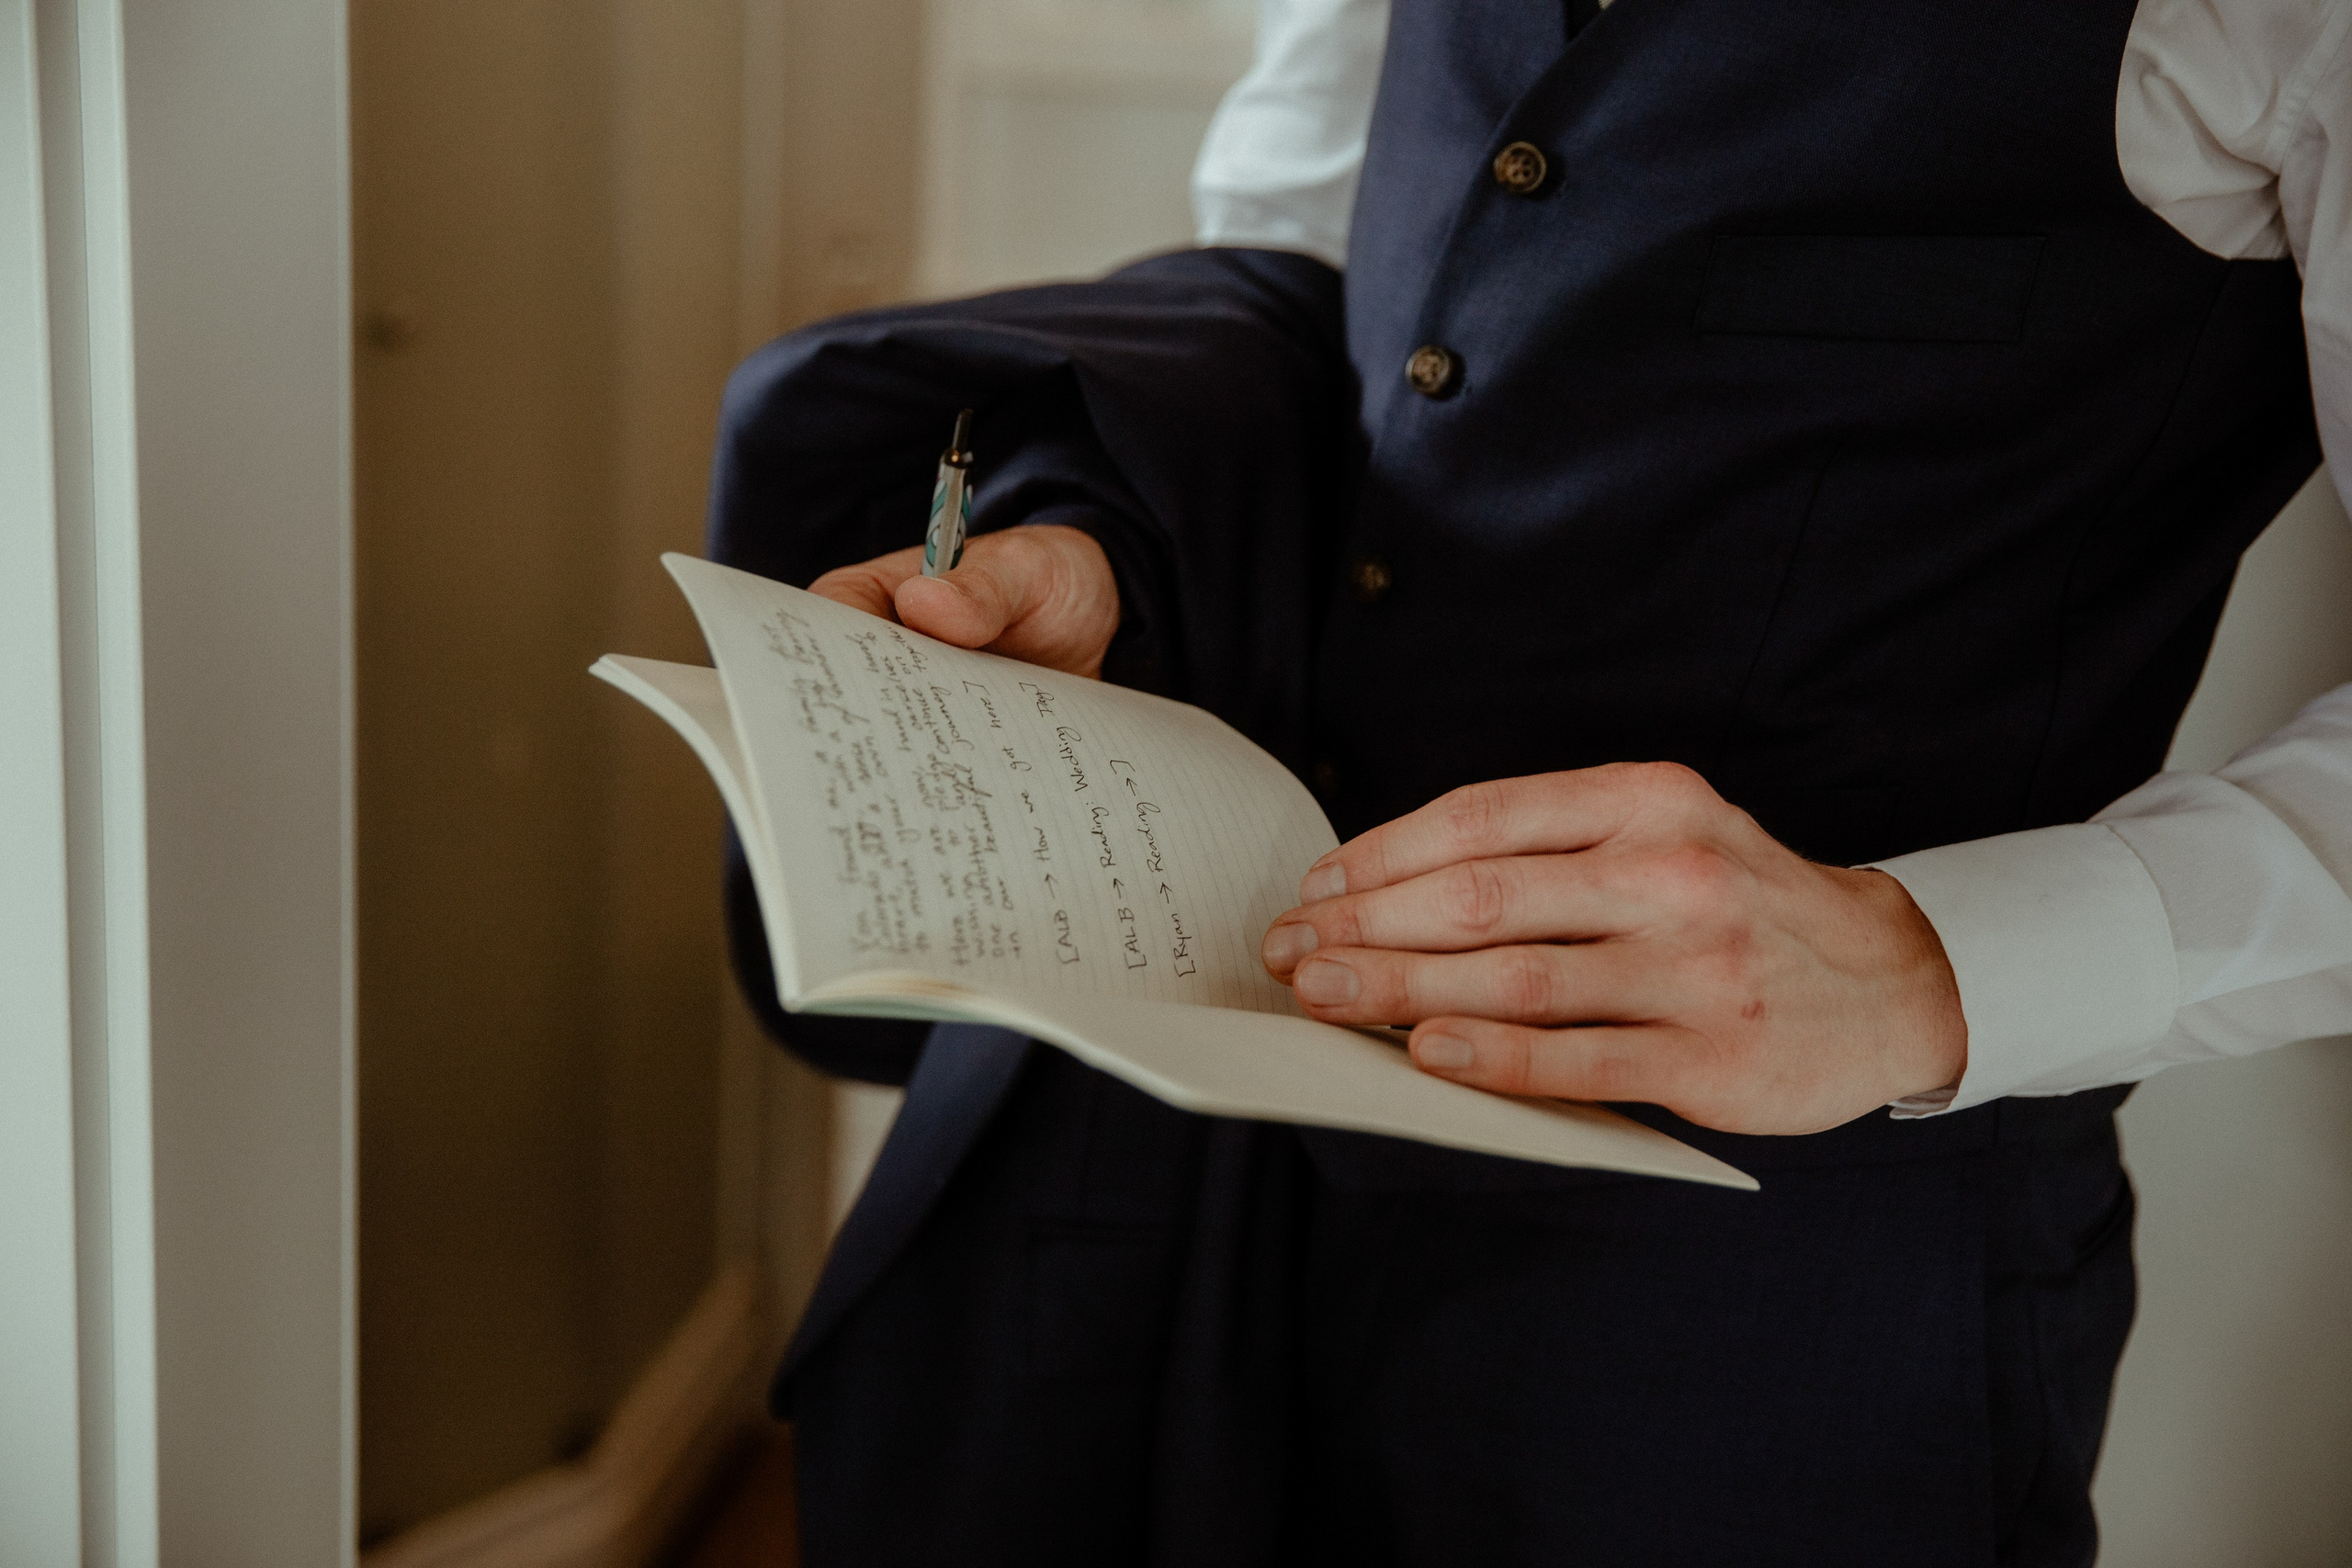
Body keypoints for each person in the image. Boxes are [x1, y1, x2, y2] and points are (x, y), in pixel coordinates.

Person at [707, 0, 2352, 1562]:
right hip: (1209, 1164)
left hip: (1781, 1308)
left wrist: (1935, 967)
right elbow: (1311, 274)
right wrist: (1114, 544)